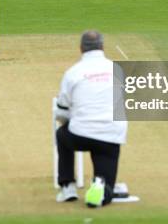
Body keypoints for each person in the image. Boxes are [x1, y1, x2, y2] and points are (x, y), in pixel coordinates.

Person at [54, 31, 127, 208]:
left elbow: (61, 112)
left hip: (80, 134)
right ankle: (101, 185)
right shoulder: (117, 69)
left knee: (62, 134)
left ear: (81, 49)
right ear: (102, 47)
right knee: (105, 188)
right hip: (111, 136)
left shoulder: (72, 73)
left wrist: (74, 119)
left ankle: (68, 187)